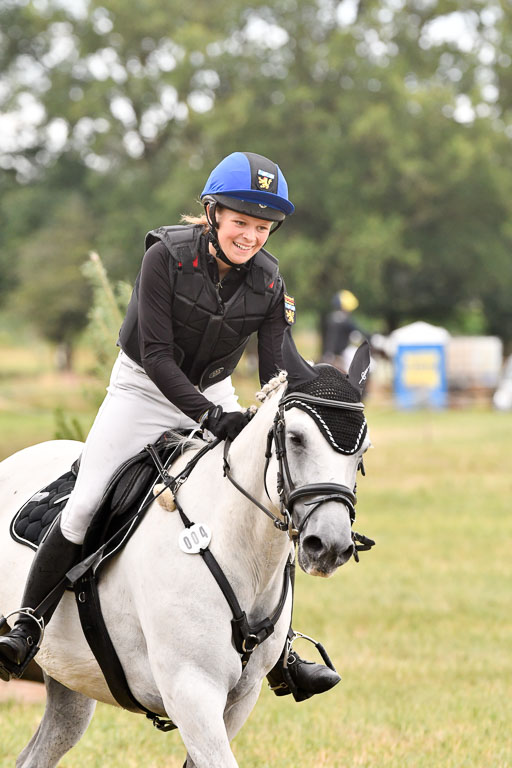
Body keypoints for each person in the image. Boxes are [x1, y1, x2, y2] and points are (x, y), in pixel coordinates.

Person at [0, 151, 340, 700]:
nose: (251, 236)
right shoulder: (165, 257)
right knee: (86, 502)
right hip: (142, 388)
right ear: (212, 213)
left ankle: (281, 649)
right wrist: (212, 418)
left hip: (213, 389)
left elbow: (277, 369)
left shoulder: (271, 281)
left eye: (261, 227)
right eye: (240, 222)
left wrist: (318, 392)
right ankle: (26, 624)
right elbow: (157, 357)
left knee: (267, 503)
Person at [321, 289, 368, 370]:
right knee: (368, 365)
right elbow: (359, 331)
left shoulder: (330, 317)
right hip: (343, 353)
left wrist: (328, 353)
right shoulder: (345, 319)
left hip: (328, 354)